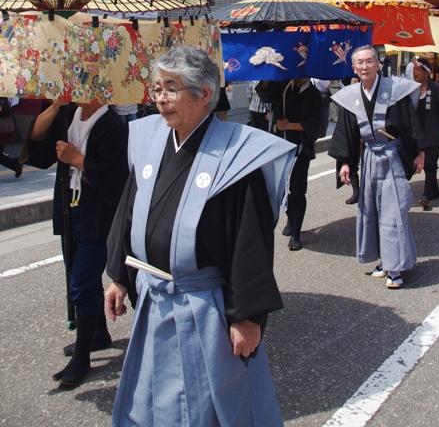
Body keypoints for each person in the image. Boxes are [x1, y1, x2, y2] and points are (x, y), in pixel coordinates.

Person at [105, 47, 296, 427]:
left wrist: (247, 317)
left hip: (204, 307)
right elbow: (129, 211)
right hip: (155, 301)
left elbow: (250, 242)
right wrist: (119, 276)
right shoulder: (148, 140)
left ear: (204, 93)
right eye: (157, 88)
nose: (161, 99)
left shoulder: (237, 155)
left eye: (171, 89)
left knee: (207, 404)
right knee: (152, 399)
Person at [26, 100, 128, 388]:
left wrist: (79, 160)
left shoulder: (112, 125)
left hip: (98, 214)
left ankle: (82, 355)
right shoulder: (68, 114)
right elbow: (36, 142)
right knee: (76, 271)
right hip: (69, 208)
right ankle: (98, 334)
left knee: (82, 280)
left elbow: (117, 181)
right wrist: (54, 106)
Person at [328, 45, 425, 289]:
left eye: (369, 61)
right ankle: (384, 260)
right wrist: (346, 163)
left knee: (394, 212)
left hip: (392, 156)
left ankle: (395, 268)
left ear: (378, 64)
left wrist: (420, 153)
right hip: (370, 157)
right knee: (372, 212)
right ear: (353, 68)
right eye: (359, 63)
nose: (365, 66)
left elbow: (412, 124)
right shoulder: (350, 96)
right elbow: (346, 133)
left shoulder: (395, 90)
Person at [257, 78, 322, 250]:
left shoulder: (314, 94)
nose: (299, 77)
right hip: (279, 147)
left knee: (297, 190)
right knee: (281, 188)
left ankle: (296, 234)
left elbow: (317, 125)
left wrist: (290, 125)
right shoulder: (283, 86)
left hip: (301, 149)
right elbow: (265, 96)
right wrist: (267, 77)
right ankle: (290, 219)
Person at [412, 57, 439, 210]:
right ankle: (434, 191)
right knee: (417, 164)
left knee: (430, 165)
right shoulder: (411, 89)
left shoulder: (437, 89)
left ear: (427, 72)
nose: (414, 72)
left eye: (418, 69)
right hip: (416, 135)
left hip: (433, 133)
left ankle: (427, 195)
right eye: (414, 69)